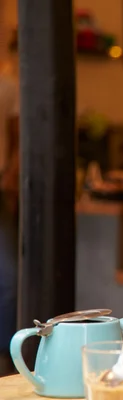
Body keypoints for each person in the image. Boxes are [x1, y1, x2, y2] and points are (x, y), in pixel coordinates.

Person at [0, 70, 19, 376]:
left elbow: (20, 138)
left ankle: (8, 361)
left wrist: (11, 179)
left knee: (8, 283)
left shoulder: (7, 86)